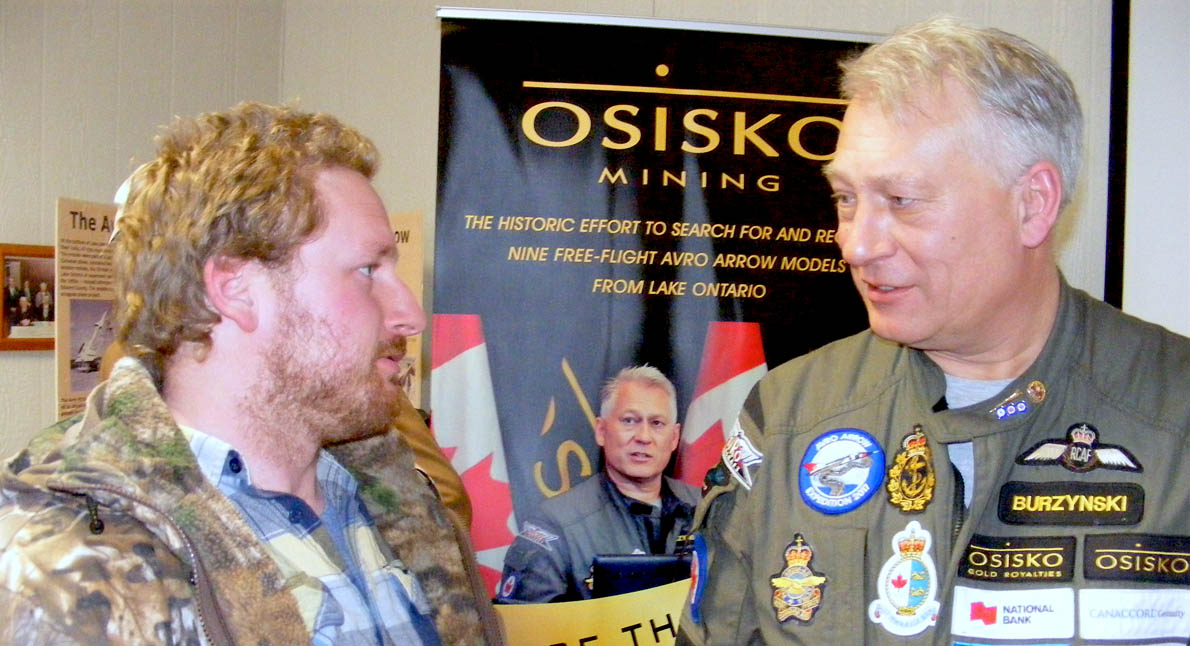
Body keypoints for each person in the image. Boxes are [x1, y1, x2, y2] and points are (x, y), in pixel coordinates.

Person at [679, 15, 1190, 646]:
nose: (856, 244)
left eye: (901, 200)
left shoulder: (1177, 415)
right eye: (845, 198)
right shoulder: (791, 414)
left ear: (1033, 203)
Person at [0, 102, 504, 645]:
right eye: (367, 270)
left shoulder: (400, 496)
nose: (410, 313)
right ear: (236, 289)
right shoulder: (67, 572)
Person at [497, 365, 700, 603]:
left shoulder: (709, 511)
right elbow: (526, 631)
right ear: (601, 431)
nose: (644, 437)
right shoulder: (555, 527)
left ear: (674, 437)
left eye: (657, 423)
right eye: (630, 421)